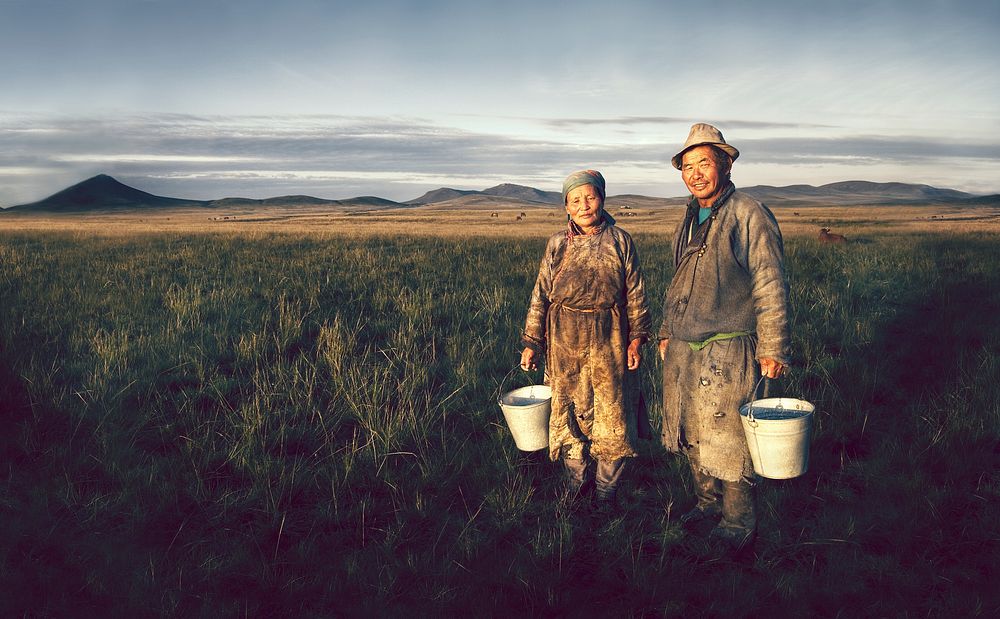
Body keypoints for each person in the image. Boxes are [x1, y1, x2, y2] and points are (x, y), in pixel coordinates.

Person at [658, 124, 792, 550]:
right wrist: (666, 331)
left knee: (729, 438)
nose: (696, 173)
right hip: (685, 345)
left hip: (730, 346)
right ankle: (706, 506)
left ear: (725, 165)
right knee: (692, 431)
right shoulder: (689, 215)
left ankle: (736, 525)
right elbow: (679, 281)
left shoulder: (748, 212)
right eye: (688, 166)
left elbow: (769, 281)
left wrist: (772, 346)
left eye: (705, 164)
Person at [520, 169, 652, 509]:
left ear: (602, 199)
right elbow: (540, 296)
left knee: (612, 414)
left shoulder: (620, 240)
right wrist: (533, 341)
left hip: (610, 338)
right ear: (566, 206)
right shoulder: (556, 244)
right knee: (568, 412)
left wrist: (637, 337)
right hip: (564, 341)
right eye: (575, 199)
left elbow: (636, 293)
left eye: (590, 197)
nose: (584, 205)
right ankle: (576, 486)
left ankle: (607, 492)